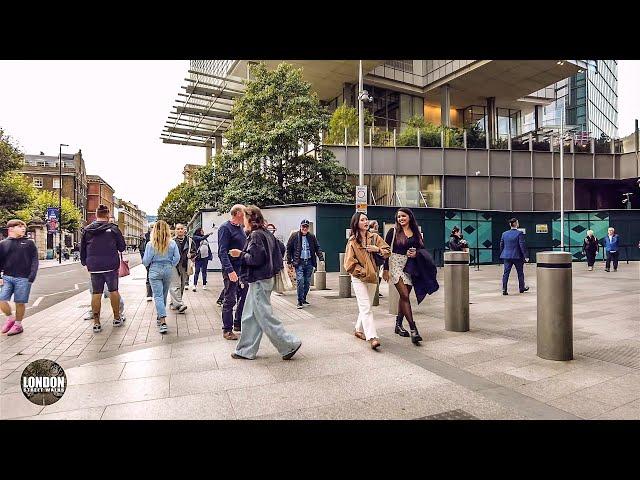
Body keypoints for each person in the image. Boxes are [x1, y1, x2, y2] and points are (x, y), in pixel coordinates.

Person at [228, 206, 302, 360]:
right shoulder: (267, 233)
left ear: (250, 219)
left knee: (265, 316)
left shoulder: (255, 235)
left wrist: (240, 254)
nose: (243, 222)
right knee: (249, 316)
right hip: (264, 279)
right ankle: (245, 350)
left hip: (259, 280)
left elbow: (255, 259)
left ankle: (289, 344)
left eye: (244, 219)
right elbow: (280, 249)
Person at [345, 212, 391, 350]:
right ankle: (372, 337)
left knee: (367, 306)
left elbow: (388, 250)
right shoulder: (352, 241)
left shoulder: (375, 237)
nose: (366, 222)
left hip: (372, 276)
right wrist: (362, 272)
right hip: (358, 277)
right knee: (365, 306)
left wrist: (377, 249)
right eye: (362, 220)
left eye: (366, 219)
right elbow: (349, 263)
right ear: (356, 223)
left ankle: (358, 329)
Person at [80, 205, 126, 333]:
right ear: (107, 215)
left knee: (96, 293)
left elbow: (82, 249)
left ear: (96, 215)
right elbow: (122, 247)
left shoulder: (87, 230)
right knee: (113, 291)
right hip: (111, 265)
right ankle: (117, 318)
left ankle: (96, 323)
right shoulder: (113, 229)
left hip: (94, 266)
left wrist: (85, 262)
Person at [382, 208, 425, 344]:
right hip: (395, 264)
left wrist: (416, 253)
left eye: (403, 216)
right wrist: (386, 269)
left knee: (404, 296)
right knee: (405, 295)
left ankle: (398, 325)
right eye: (399, 216)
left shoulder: (416, 232)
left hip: (410, 266)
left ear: (410, 217)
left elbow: (421, 249)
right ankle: (413, 329)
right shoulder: (393, 231)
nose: (401, 218)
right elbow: (386, 251)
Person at [0, 219, 39, 336]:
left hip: (24, 278)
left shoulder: (29, 243)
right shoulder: (3, 244)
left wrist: (31, 276)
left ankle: (18, 324)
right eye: (20, 226)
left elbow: (34, 261)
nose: (23, 228)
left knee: (19, 302)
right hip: (7, 277)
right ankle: (10, 318)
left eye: (24, 227)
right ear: (11, 229)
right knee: (2, 300)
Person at [143, 220, 181, 334]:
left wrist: (150, 265)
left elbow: (146, 261)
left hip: (155, 270)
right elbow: (177, 258)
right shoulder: (172, 243)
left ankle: (163, 321)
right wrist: (170, 264)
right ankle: (160, 316)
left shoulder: (151, 244)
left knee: (158, 296)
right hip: (168, 269)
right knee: (163, 295)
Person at [218, 204, 248, 340]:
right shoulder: (225, 228)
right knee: (230, 299)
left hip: (242, 268)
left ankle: (237, 323)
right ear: (237, 213)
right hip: (231, 269)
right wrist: (230, 271)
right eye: (244, 212)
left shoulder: (241, 228)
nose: (246, 214)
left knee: (244, 295)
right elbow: (222, 252)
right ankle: (227, 330)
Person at [286, 219, 324, 309]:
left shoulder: (311, 236)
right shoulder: (294, 236)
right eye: (303, 226)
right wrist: (289, 261)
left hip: (309, 262)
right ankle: (299, 301)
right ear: (300, 227)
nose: (305, 228)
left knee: (307, 282)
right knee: (300, 280)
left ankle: (303, 298)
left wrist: (321, 259)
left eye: (306, 227)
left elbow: (317, 248)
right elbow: (289, 248)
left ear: (308, 228)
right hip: (299, 262)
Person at [168, 223, 195, 313]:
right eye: (178, 229)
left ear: (184, 230)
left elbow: (195, 251)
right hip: (174, 266)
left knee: (182, 285)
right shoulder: (171, 241)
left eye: (181, 229)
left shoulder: (190, 241)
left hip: (184, 265)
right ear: (175, 230)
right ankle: (178, 304)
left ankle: (176, 303)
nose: (180, 230)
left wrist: (191, 255)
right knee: (175, 286)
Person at [499, 218, 529, 295]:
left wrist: (503, 253)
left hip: (506, 256)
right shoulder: (519, 233)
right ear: (515, 223)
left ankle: (504, 289)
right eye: (517, 222)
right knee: (520, 272)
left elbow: (501, 245)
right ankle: (521, 288)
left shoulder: (504, 234)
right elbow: (522, 245)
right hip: (517, 256)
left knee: (506, 273)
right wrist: (526, 256)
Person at [139, 228, 153, 301]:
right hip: (149, 262)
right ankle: (149, 294)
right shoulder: (145, 238)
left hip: (156, 262)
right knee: (148, 276)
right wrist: (145, 261)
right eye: (151, 227)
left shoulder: (158, 237)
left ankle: (152, 293)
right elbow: (141, 249)